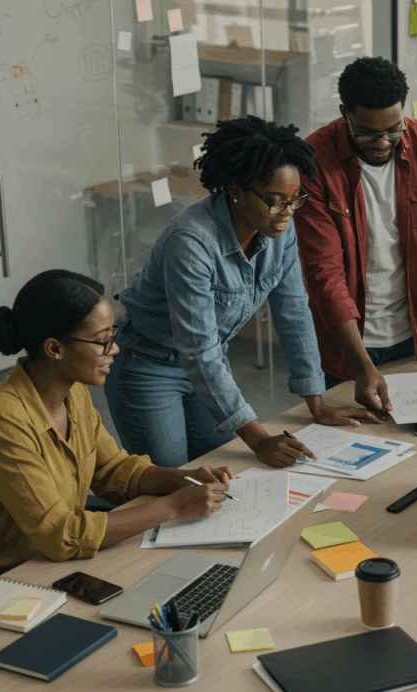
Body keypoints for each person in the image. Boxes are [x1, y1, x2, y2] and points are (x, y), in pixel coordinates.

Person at [0, 270, 233, 591]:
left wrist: (183, 479)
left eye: (113, 335)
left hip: (46, 569)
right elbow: (61, 535)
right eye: (103, 340)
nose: (114, 349)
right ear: (54, 348)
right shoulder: (3, 421)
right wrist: (172, 507)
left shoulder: (72, 392)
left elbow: (115, 471)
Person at [105, 117, 376, 469]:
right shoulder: (191, 242)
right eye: (276, 201)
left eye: (296, 200)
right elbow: (198, 350)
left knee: (226, 471)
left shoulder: (281, 229)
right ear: (236, 188)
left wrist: (317, 403)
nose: (288, 213)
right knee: (173, 484)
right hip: (148, 368)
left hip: (209, 364)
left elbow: (293, 311)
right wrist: (261, 439)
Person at [294, 56, 417, 413]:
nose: (382, 142)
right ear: (344, 113)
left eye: (393, 129)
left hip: (415, 335)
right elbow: (323, 274)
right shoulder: (315, 161)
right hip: (346, 347)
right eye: (367, 133)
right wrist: (363, 366)